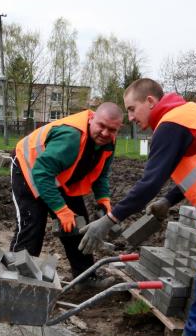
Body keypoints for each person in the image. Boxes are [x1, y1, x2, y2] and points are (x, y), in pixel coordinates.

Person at [79, 78, 196, 336]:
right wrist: (169, 200)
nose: (131, 118)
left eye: (132, 109)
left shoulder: (171, 124)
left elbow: (148, 183)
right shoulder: (189, 114)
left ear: (150, 101)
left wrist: (109, 219)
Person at [10, 102, 124, 285]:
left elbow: (100, 174)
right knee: (32, 225)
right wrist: (61, 210)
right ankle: (16, 280)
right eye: (101, 126)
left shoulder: (108, 143)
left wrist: (104, 201)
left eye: (111, 130)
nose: (105, 133)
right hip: (29, 169)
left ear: (119, 129)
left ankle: (85, 278)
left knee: (78, 225)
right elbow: (41, 173)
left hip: (58, 174)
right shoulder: (71, 137)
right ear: (92, 118)